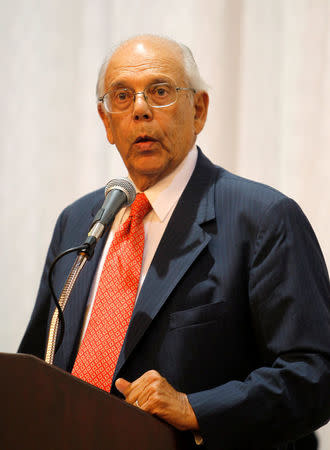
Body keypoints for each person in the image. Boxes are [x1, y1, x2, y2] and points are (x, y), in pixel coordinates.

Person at [19, 35, 330, 450]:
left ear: (198, 109)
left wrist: (196, 408)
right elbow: (38, 366)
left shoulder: (262, 218)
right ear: (106, 121)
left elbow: (315, 374)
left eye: (160, 92)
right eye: (123, 97)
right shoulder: (79, 223)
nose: (141, 110)